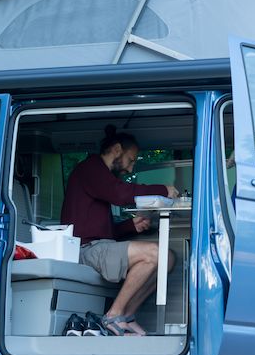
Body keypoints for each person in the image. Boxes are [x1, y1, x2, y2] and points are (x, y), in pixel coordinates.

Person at [60, 125, 178, 336]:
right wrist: (162, 190)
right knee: (154, 254)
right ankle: (113, 316)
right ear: (116, 150)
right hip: (85, 250)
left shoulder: (100, 177)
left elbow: (102, 232)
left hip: (99, 246)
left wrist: (130, 226)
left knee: (167, 258)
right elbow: (119, 194)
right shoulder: (90, 168)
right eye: (131, 160)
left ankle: (127, 316)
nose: (131, 169)